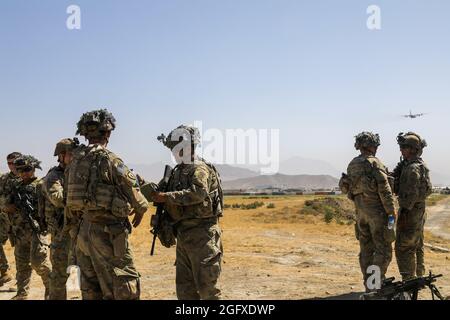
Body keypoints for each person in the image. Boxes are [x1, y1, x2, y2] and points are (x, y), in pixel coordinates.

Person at [65, 109, 149, 300]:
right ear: (108, 133)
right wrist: (141, 209)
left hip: (84, 232)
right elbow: (138, 200)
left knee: (91, 288)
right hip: (108, 233)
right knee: (123, 284)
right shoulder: (111, 159)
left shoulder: (76, 160)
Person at [148, 125, 224, 300]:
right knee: (185, 292)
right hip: (183, 235)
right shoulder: (177, 171)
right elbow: (160, 192)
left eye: (176, 148)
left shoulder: (199, 169)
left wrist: (166, 197)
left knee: (208, 290)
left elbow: (198, 193)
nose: (174, 153)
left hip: (203, 236)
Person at [339, 132, 396, 290]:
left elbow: (347, 188)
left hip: (360, 214)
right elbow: (385, 191)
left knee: (366, 250)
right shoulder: (374, 163)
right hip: (377, 214)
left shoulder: (352, 164)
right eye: (375, 145)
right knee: (383, 248)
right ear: (371, 145)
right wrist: (392, 212)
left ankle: (369, 284)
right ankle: (376, 283)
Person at [4, 155, 51, 300]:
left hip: (36, 229)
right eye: (21, 170)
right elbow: (7, 204)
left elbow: (49, 207)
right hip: (19, 231)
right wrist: (9, 207)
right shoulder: (15, 186)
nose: (24, 173)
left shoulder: (40, 185)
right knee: (22, 264)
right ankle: (22, 293)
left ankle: (51, 288)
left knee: (39, 262)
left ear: (34, 169)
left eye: (28, 169)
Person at [41, 138, 79, 300]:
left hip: (82, 233)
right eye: (71, 154)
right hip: (62, 234)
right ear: (61, 156)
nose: (75, 157)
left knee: (90, 275)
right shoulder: (53, 177)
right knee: (59, 277)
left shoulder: (79, 174)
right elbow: (58, 198)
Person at [392, 132, 432, 280]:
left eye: (404, 147)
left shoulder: (411, 169)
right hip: (418, 212)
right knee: (417, 244)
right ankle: (419, 276)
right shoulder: (419, 165)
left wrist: (404, 213)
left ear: (413, 149)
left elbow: (410, 196)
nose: (401, 150)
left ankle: (409, 282)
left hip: (410, 213)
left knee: (403, 248)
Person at [0, 152, 22, 289]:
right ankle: (4, 271)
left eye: (14, 162)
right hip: (4, 219)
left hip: (20, 221)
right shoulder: (4, 179)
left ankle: (21, 283)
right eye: (9, 163)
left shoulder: (26, 177)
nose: (11, 166)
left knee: (21, 251)